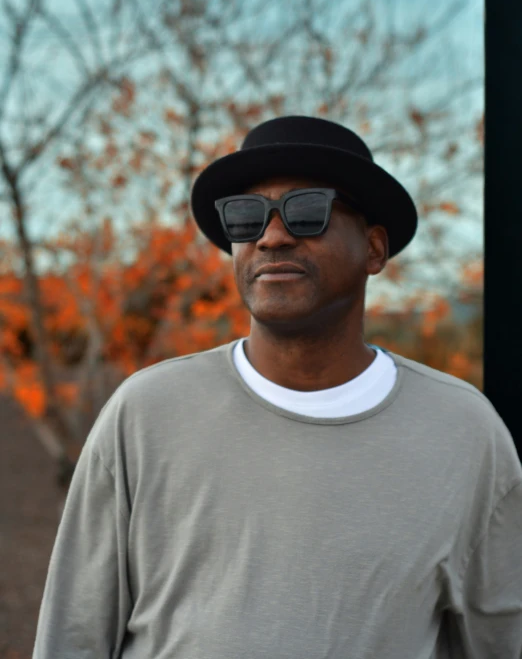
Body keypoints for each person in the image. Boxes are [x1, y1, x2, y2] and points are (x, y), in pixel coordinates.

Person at [33, 115, 522, 658]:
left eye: (307, 211)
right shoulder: (145, 413)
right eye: (246, 218)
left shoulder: (464, 433)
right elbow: (72, 637)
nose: (272, 236)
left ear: (375, 249)